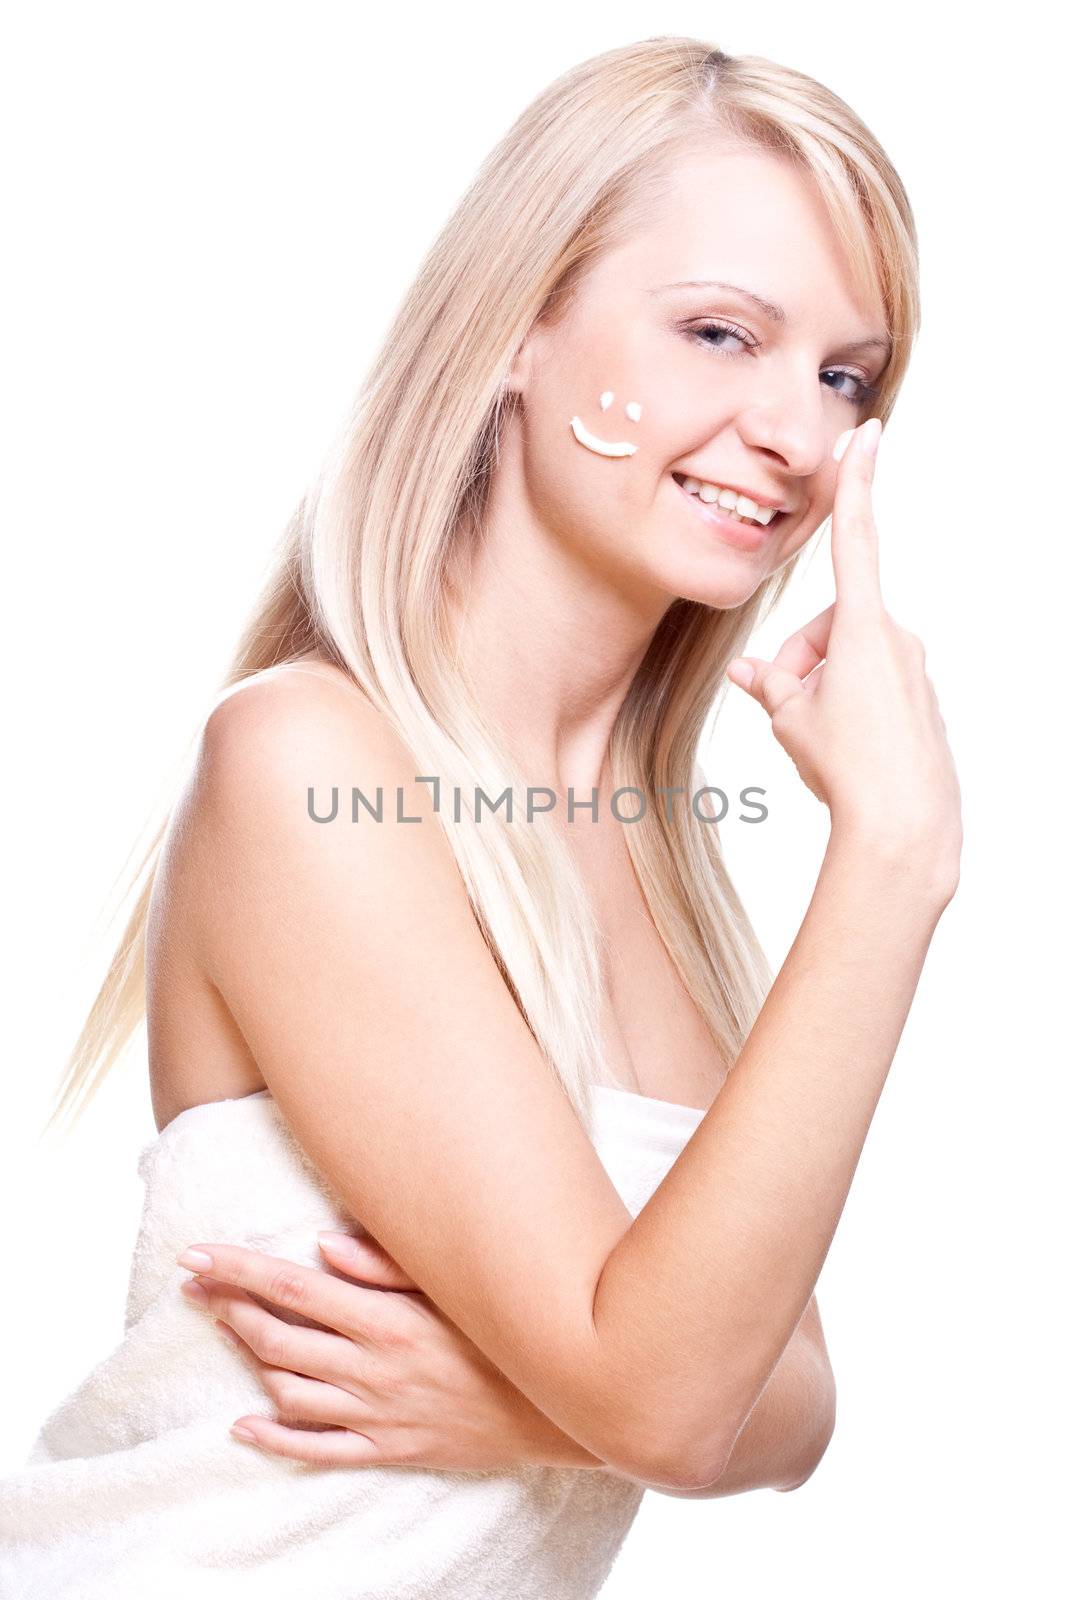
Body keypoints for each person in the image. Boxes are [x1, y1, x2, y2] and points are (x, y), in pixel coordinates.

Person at [0, 34, 961, 1599]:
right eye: (722, 332)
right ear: (518, 327)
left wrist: (548, 1412)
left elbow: (783, 1403)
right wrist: (896, 860)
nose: (798, 432)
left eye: (847, 374)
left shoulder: (656, 851)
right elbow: (674, 1399)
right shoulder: (308, 759)